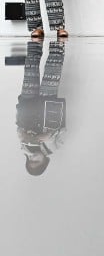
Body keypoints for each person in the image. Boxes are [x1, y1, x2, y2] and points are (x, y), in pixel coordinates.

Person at [16, 40, 66, 176]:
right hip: (47, 105)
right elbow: (62, 128)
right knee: (52, 68)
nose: (33, 158)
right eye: (36, 161)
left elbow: (19, 124)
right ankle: (59, 39)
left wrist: (22, 133)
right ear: (45, 161)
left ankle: (36, 39)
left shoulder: (24, 147)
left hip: (28, 103)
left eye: (30, 160)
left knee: (30, 68)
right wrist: (49, 135)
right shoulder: (53, 148)